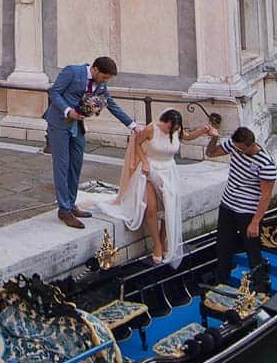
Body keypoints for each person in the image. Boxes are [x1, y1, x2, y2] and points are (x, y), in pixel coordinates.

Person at [93, 109, 217, 265]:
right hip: (150, 170)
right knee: (151, 208)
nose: (170, 131)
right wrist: (144, 161)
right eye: (168, 127)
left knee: (168, 207)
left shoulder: (176, 130)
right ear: (164, 122)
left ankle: (164, 238)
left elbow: (187, 137)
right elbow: (137, 143)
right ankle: (157, 244)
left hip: (168, 171)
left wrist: (204, 130)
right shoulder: (152, 128)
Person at [45, 55, 133, 227]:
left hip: (78, 127)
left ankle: (71, 204)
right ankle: (64, 210)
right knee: (62, 166)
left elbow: (111, 104)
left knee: (76, 165)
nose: (105, 81)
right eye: (105, 77)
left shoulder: (100, 84)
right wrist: (68, 110)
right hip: (59, 123)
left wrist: (133, 125)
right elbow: (54, 92)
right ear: (95, 69)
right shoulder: (72, 71)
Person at [213, 124, 277, 294]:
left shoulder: (266, 163)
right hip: (227, 205)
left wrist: (255, 222)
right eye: (235, 147)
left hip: (248, 212)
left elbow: (266, 196)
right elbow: (211, 153)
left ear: (250, 145)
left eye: (240, 148)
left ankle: (261, 286)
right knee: (223, 244)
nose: (237, 151)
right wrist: (213, 138)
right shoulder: (234, 145)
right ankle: (222, 279)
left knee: (252, 249)